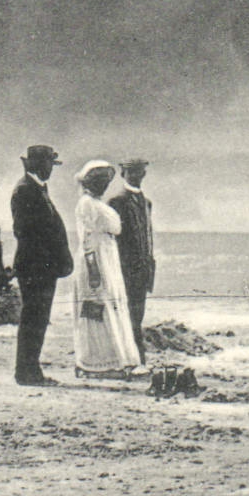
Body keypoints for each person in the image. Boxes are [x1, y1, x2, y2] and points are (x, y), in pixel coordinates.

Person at [11, 144, 74, 386]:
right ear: (36, 164)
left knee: (38, 320)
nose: (51, 169)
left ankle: (30, 370)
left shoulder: (36, 189)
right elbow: (25, 232)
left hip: (42, 268)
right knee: (33, 320)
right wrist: (49, 260)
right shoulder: (25, 190)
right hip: (35, 268)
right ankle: (26, 372)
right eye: (48, 164)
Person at [72, 160, 142, 377]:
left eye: (105, 181)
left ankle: (115, 359)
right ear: (89, 182)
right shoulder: (86, 204)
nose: (103, 185)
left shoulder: (97, 203)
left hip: (108, 257)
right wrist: (93, 268)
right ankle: (94, 364)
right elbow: (87, 238)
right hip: (95, 260)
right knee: (96, 308)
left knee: (111, 305)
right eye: (98, 180)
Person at [103, 157, 155, 363]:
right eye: (131, 172)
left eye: (139, 172)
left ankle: (136, 356)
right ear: (123, 174)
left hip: (143, 269)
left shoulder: (146, 202)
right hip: (124, 269)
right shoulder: (116, 201)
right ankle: (131, 358)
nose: (136, 176)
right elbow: (112, 239)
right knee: (125, 316)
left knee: (137, 314)